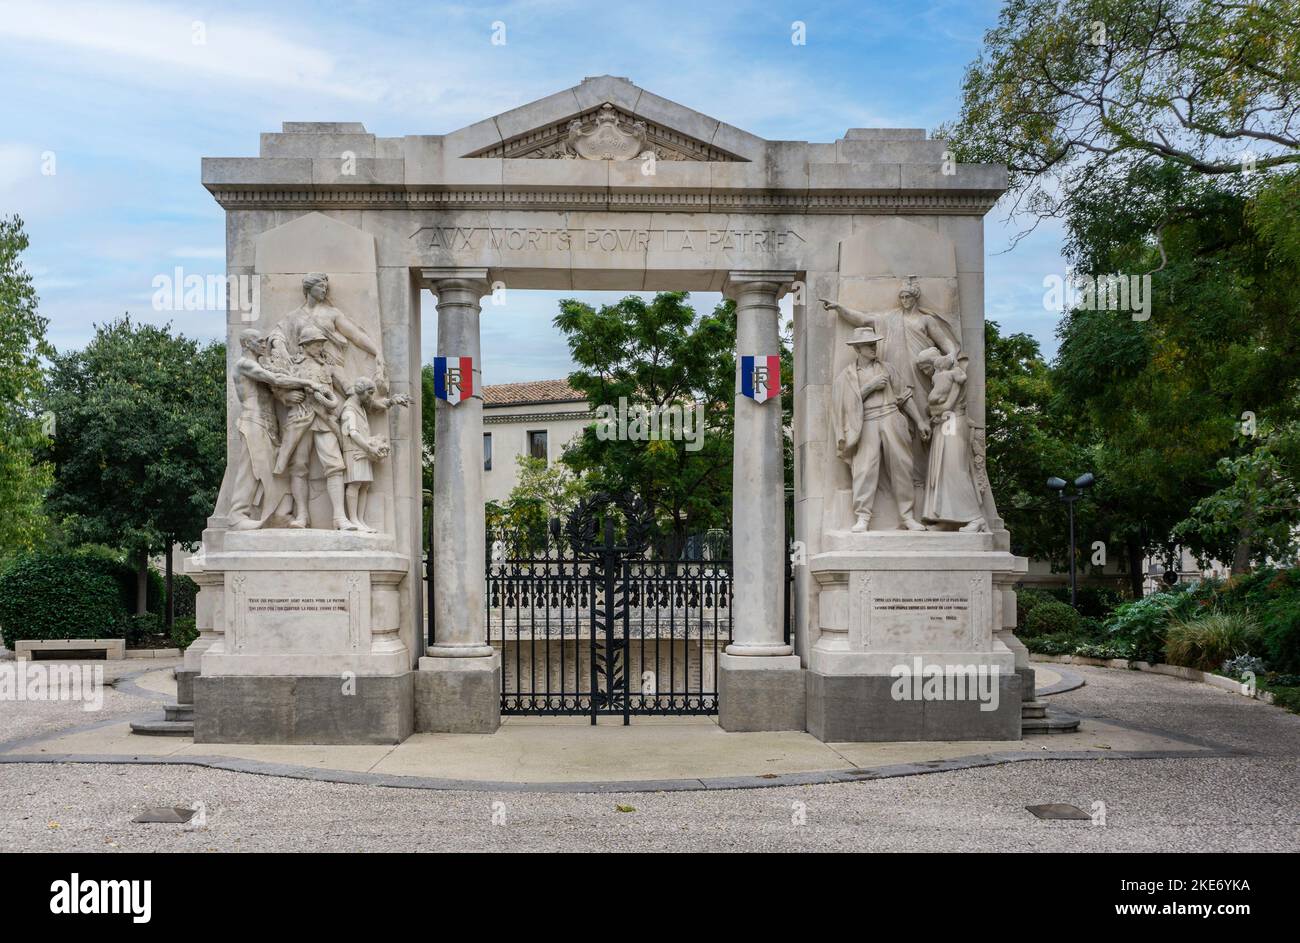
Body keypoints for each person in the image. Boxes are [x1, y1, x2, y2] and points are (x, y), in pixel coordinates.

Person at [831, 327, 931, 532]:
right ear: (858, 348)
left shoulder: (887, 368)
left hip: (891, 416)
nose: (874, 347)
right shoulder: (847, 376)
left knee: (902, 465)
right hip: (866, 421)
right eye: (869, 345)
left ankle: (907, 516)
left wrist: (920, 421)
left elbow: (904, 397)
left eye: (874, 343)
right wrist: (870, 386)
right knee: (864, 468)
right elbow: (843, 405)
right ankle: (863, 517)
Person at [228, 329, 327, 529]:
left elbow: (275, 390)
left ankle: (279, 515)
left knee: (277, 472)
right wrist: (309, 382)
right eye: (260, 340)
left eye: (265, 339)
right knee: (251, 469)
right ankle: (237, 515)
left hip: (269, 424)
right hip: (253, 421)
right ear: (247, 344)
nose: (264, 343)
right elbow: (276, 381)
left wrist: (286, 397)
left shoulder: (259, 365)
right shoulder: (245, 364)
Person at [272, 323, 352, 530]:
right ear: (305, 345)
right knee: (299, 467)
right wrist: (286, 396)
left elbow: (347, 388)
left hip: (325, 419)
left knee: (335, 465)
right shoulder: (294, 365)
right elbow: (278, 386)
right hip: (300, 418)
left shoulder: (329, 365)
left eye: (321, 343)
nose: (320, 347)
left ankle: (339, 517)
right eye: (316, 344)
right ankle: (302, 516)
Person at [915, 347, 987, 532]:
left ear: (933, 363)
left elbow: (945, 406)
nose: (924, 373)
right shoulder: (942, 378)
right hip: (944, 424)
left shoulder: (951, 376)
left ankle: (976, 518)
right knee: (941, 473)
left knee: (955, 470)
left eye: (924, 368)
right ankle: (947, 519)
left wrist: (933, 412)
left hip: (952, 423)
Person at [339, 376, 410, 532]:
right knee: (355, 484)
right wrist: (369, 448)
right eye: (369, 393)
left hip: (363, 451)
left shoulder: (361, 405)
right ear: (361, 391)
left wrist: (392, 401)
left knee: (364, 485)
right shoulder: (349, 408)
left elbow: (377, 405)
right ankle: (353, 519)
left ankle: (360, 520)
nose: (371, 397)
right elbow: (352, 433)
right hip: (355, 451)